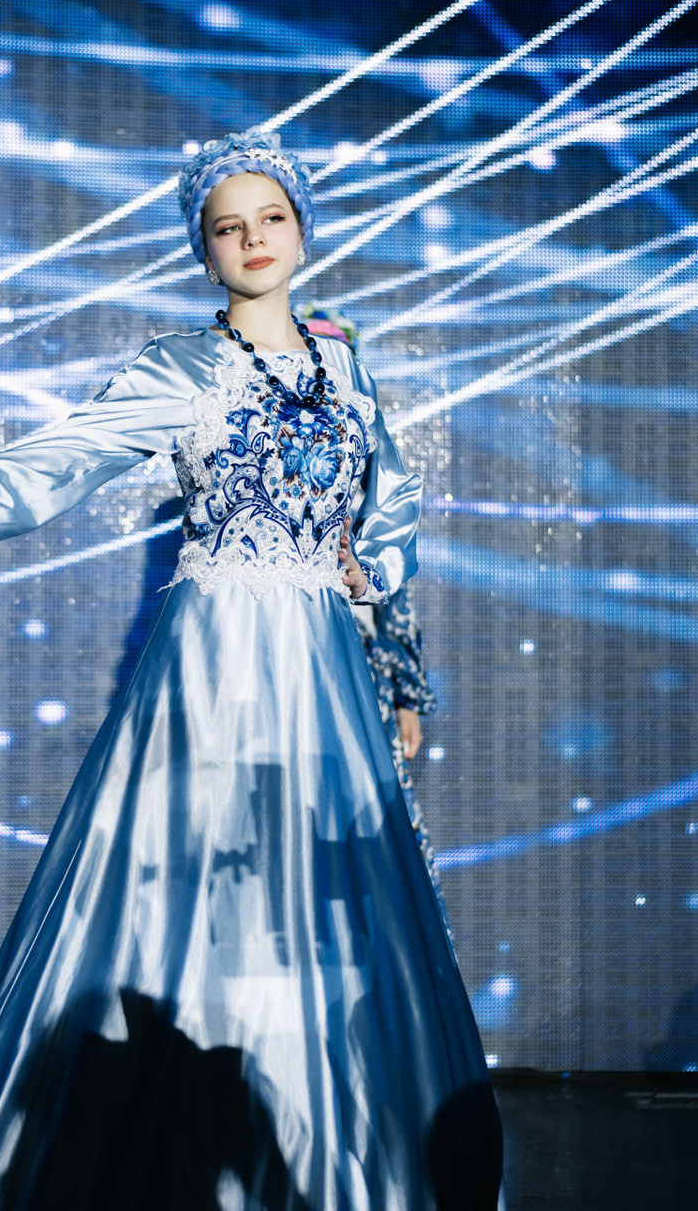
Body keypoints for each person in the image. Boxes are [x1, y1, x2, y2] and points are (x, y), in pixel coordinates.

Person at [0, 132, 500, 1210]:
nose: (253, 239)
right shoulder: (181, 365)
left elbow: (391, 508)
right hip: (215, 656)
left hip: (321, 658)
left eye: (271, 218)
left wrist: (389, 616)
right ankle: (179, 1148)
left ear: (302, 231)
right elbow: (59, 460)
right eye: (229, 227)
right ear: (204, 251)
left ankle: (322, 1148)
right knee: (197, 888)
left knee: (320, 899)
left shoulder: (347, 366)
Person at [299, 303, 451, 944]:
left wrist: (407, 694)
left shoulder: (365, 469)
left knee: (373, 812)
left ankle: (384, 956)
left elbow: (394, 591)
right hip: (279, 658)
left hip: (359, 669)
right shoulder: (257, 445)